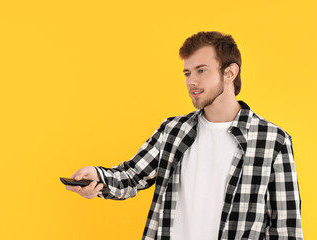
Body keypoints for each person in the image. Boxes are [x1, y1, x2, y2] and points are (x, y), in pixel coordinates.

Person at [65, 31, 303, 239]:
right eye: (187, 73)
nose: (192, 81)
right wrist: (98, 177)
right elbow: (132, 176)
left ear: (229, 73)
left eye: (201, 70)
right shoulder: (173, 131)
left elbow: (286, 226)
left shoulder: (273, 140)